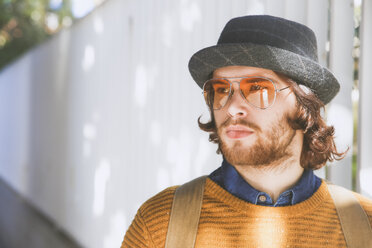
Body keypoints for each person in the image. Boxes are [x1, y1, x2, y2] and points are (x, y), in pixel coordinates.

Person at [121, 15, 372, 248]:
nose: (231, 108)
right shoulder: (159, 224)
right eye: (220, 89)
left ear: (303, 105)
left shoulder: (365, 225)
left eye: (257, 89)